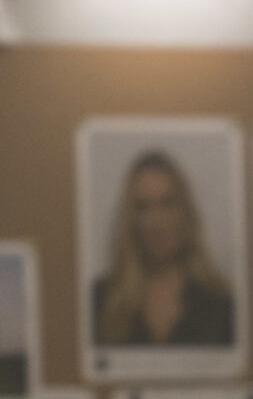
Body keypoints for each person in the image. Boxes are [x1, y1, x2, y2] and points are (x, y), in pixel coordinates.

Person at [91, 149, 234, 347]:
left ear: (184, 211)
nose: (157, 222)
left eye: (167, 204)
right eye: (143, 207)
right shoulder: (100, 300)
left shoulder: (221, 303)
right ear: (131, 219)